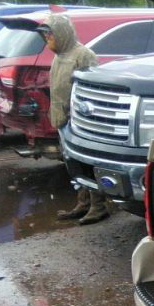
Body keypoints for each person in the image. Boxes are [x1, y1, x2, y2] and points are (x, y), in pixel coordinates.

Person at [37, 13, 108, 225]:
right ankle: (83, 203)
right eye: (45, 34)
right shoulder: (59, 56)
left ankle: (99, 207)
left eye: (50, 33)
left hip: (80, 122)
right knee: (73, 163)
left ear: (61, 32)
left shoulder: (83, 55)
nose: (47, 38)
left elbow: (94, 90)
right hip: (63, 120)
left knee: (87, 163)